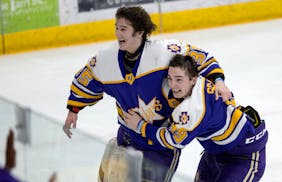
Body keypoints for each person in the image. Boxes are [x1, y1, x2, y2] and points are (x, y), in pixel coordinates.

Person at [63, 6, 232, 182]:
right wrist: (74, 109)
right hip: (129, 135)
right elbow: (85, 78)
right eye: (116, 28)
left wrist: (218, 80)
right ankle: (119, 152)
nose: (118, 34)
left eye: (123, 29)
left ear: (140, 32)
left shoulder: (165, 52)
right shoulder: (106, 59)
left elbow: (200, 58)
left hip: (160, 142)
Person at [125, 54, 268, 182]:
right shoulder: (198, 78)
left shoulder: (194, 109)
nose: (173, 85)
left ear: (193, 79)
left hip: (243, 156)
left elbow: (173, 140)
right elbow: (205, 59)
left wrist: (140, 126)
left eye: (179, 80)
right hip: (215, 152)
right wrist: (219, 79)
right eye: (170, 78)